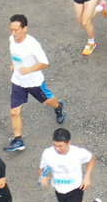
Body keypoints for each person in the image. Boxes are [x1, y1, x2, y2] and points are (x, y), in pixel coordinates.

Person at [4, 13, 65, 152]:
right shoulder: (12, 39)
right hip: (18, 81)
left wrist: (30, 69)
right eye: (11, 29)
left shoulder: (32, 45)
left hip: (34, 82)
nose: (13, 33)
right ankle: (18, 140)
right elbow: (16, 56)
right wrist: (15, 66)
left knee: (47, 101)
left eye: (16, 30)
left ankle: (58, 106)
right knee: (14, 112)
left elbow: (45, 63)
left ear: (25, 28)